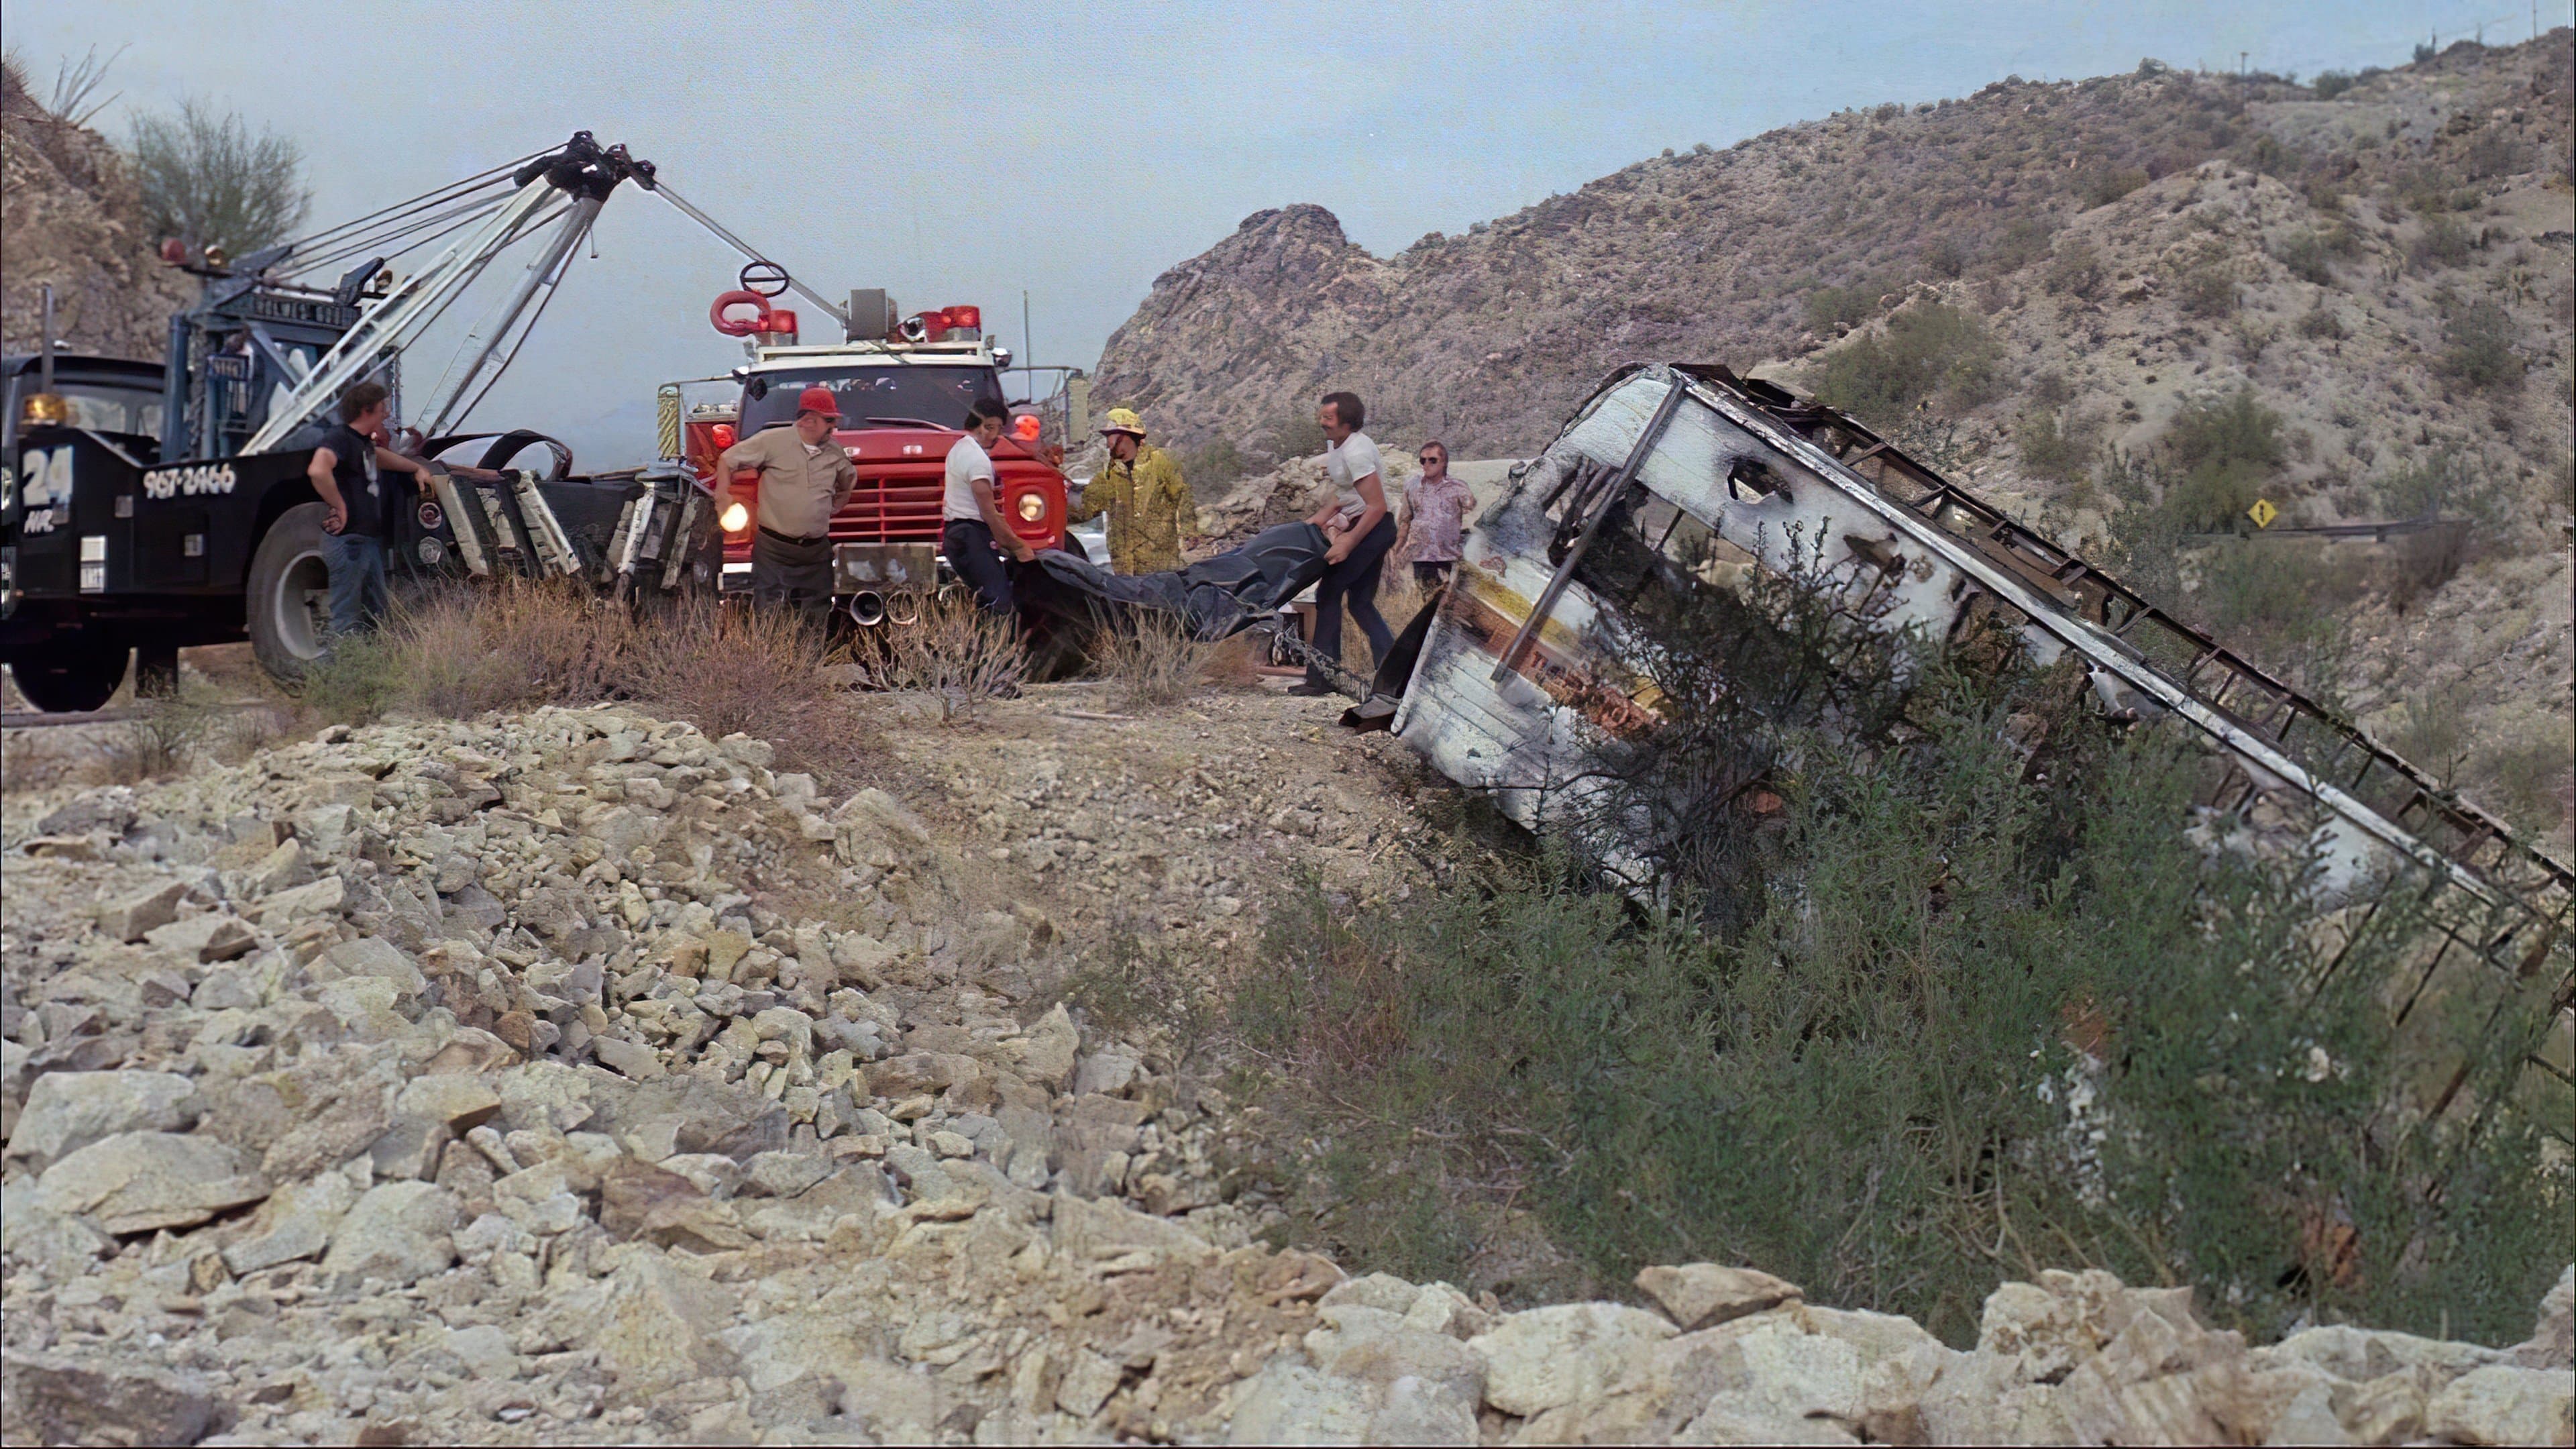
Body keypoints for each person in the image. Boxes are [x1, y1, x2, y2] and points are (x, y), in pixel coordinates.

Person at [307, 380, 455, 641]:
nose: (386, 414)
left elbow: (379, 457)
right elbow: (318, 470)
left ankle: (367, 671)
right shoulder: (339, 438)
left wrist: (415, 468)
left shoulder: (360, 443)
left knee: (376, 616)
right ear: (366, 411)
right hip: (349, 543)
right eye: (381, 408)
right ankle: (337, 675)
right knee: (345, 621)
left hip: (367, 542)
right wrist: (339, 505)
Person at [715, 386, 858, 622]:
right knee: (770, 613)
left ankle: (811, 658)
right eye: (829, 420)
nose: (834, 427)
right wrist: (723, 497)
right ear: (810, 420)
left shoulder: (834, 452)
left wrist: (833, 506)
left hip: (815, 551)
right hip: (774, 550)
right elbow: (727, 460)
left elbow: (848, 480)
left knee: (816, 612)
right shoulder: (773, 441)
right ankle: (772, 658)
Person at [1290, 390, 1396, 697]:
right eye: (1321, 415)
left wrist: (1349, 541)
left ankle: (1322, 678)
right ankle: (1393, 672)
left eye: (1328, 418)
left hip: (1373, 527)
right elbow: (1344, 492)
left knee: (1329, 593)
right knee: (1361, 603)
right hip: (1363, 524)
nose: (1322, 422)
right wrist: (1319, 518)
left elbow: (1376, 506)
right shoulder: (1336, 445)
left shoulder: (1357, 451)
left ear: (1347, 423)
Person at [1067, 407, 1197, 574]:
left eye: (1111, 437)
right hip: (1125, 569)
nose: (1107, 444)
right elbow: (1085, 509)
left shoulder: (1161, 464)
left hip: (1160, 562)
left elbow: (1182, 496)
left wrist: (1190, 531)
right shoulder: (1108, 477)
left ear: (1127, 437)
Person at [942, 397, 1034, 614]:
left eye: (999, 429)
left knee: (983, 598)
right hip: (970, 535)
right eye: (993, 428)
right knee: (999, 603)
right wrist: (1018, 547)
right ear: (983, 425)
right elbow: (989, 513)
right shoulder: (977, 460)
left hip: (955, 534)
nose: (996, 435)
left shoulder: (959, 449)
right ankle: (997, 645)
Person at [1393, 439, 1472, 589]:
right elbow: (1405, 519)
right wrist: (1398, 545)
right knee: (1427, 595)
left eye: (1432, 460)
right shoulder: (1412, 486)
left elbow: (1470, 512)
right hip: (1421, 554)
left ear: (1444, 462)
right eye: (1423, 460)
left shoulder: (1458, 488)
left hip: (1448, 555)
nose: (1426, 465)